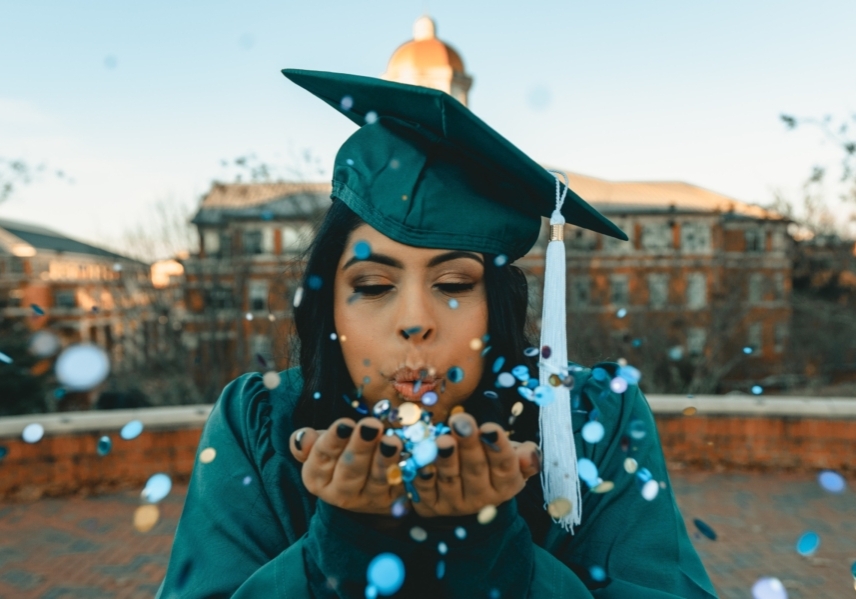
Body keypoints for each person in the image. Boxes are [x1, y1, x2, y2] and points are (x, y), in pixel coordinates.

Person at [157, 70, 718, 598]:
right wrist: (344, 547)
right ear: (330, 306)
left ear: (496, 306)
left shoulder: (587, 421)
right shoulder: (263, 424)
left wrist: (494, 554)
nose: (415, 321)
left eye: (454, 283)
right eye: (373, 286)